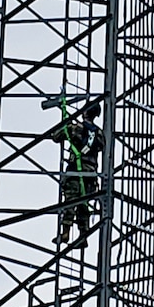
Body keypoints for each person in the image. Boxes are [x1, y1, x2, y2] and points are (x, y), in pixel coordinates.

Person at [52, 96, 103, 246]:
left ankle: (66, 232)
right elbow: (101, 147)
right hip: (91, 174)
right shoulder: (99, 134)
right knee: (84, 204)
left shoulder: (75, 128)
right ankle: (83, 235)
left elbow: (56, 136)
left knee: (71, 201)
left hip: (76, 172)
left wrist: (66, 123)